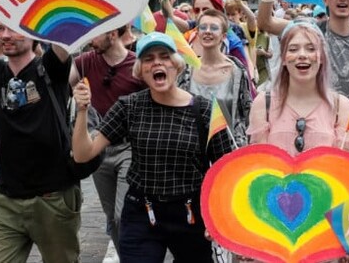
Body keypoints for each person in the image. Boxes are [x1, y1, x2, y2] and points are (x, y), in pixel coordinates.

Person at [70, 32, 234, 262]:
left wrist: (219, 218)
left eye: (165, 56)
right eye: (148, 58)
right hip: (142, 213)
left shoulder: (205, 110)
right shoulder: (129, 106)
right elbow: (82, 153)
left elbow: (226, 169)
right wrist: (82, 110)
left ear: (177, 66)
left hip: (190, 215)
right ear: (140, 71)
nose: (157, 62)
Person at [0, 20, 80, 262]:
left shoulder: (51, 67)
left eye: (13, 28)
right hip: (5, 200)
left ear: (33, 34)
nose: (5, 35)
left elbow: (68, 28)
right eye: (1, 28)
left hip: (52, 199)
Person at [69, 26, 147, 256]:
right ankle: (127, 257)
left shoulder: (136, 65)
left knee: (123, 213)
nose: (90, 40)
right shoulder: (85, 61)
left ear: (112, 34)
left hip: (129, 147)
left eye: (94, 34)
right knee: (111, 215)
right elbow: (60, 82)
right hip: (98, 145)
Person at [248, 20, 349, 155]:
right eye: (293, 49)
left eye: (311, 49)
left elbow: (344, 165)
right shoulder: (263, 103)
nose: (302, 55)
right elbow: (260, 162)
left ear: (321, 57)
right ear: (284, 59)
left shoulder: (341, 106)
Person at [183, 9, 252, 148]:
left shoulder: (237, 72)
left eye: (214, 28)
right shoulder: (186, 71)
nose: (207, 31)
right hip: (193, 151)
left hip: (228, 151)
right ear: (197, 33)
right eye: (203, 27)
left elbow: (246, 115)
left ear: (223, 36)